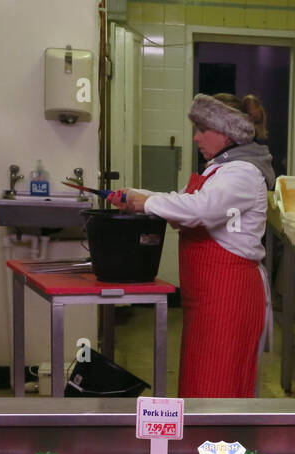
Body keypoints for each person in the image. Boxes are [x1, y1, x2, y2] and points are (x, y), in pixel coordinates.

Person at [113, 93, 274, 398]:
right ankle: (200, 447)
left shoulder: (242, 174)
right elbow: (186, 205)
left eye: (203, 129)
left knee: (219, 391)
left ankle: (222, 449)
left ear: (227, 131)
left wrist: (147, 203)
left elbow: (200, 210)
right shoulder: (221, 169)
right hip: (208, 300)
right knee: (201, 387)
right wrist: (137, 195)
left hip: (230, 298)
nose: (197, 137)